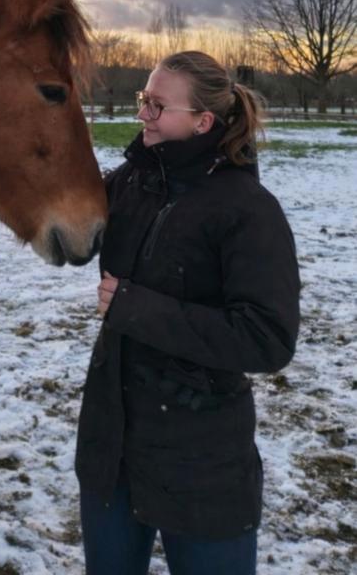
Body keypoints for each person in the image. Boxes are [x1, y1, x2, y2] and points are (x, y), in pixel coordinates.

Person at [76, 51, 300, 575]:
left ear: (202, 122)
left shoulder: (248, 210)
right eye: (142, 100)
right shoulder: (132, 181)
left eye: (157, 105)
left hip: (202, 465)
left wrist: (136, 308)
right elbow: (74, 235)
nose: (142, 115)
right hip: (113, 449)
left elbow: (266, 338)